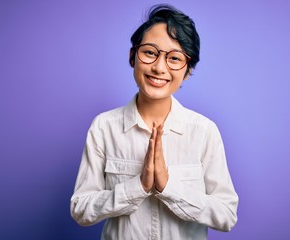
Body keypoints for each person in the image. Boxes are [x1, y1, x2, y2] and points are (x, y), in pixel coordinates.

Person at [70, 4, 238, 240]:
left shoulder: (204, 131)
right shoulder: (103, 127)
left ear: (187, 70)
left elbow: (226, 214)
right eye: (150, 52)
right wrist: (137, 187)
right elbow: (80, 209)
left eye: (175, 58)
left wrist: (168, 187)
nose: (159, 67)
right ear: (132, 57)